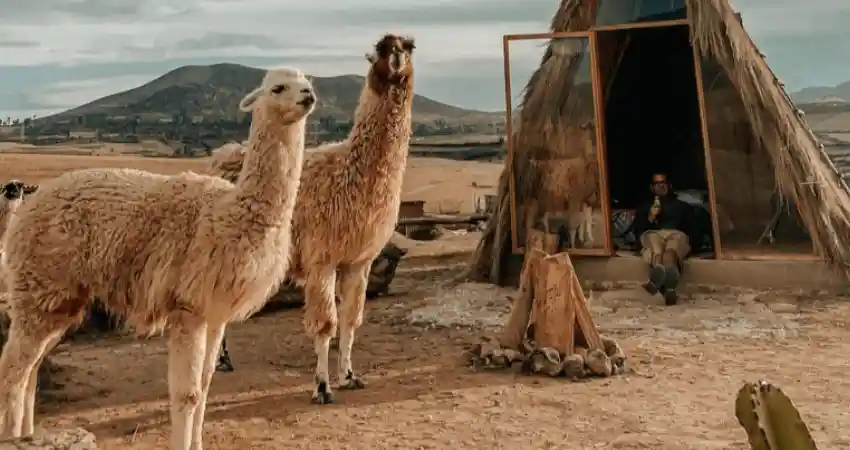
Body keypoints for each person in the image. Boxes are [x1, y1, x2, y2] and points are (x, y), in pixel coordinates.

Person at [632, 173, 692, 305]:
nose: (660, 186)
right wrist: (650, 217)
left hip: (676, 233)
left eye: (663, 182)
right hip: (653, 232)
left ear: (668, 185)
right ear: (651, 187)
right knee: (656, 250)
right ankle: (667, 287)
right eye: (656, 183)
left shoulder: (681, 206)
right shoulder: (644, 206)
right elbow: (638, 229)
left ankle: (659, 283)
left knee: (670, 252)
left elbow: (691, 228)